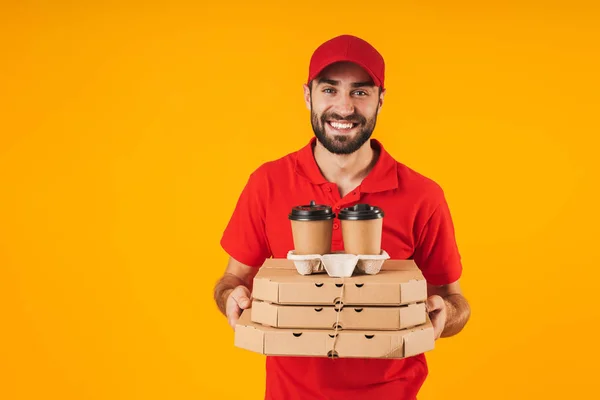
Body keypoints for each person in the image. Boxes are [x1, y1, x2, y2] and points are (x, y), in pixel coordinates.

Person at [213, 34, 471, 400]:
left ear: (381, 99)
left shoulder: (423, 195)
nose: (345, 108)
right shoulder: (267, 183)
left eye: (360, 92)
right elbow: (231, 279)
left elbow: (455, 301)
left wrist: (444, 312)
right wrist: (231, 297)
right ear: (308, 96)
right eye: (330, 90)